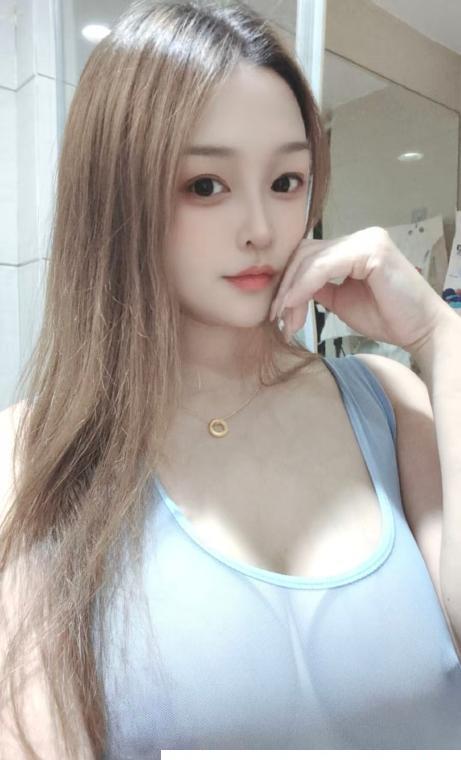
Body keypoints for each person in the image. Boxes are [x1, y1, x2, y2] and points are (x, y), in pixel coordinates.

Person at [1, 1, 460, 757]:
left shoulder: (386, 398)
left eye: (286, 180)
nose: (261, 228)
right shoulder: (30, 456)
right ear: (117, 195)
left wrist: (438, 338)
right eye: (206, 186)